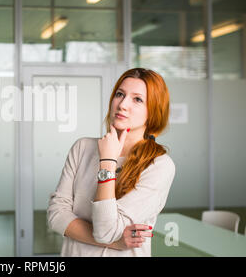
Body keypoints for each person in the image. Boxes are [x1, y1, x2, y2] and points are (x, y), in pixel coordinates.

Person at [47, 68, 175, 257]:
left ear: (154, 110)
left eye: (137, 99)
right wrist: (115, 243)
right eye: (120, 94)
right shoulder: (82, 148)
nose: (122, 104)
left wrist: (107, 161)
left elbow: (106, 230)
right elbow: (56, 216)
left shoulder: (159, 166)